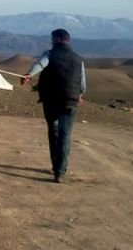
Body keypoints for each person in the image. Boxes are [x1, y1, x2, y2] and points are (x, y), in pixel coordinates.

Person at [21, 28, 86, 182]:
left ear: (56, 39)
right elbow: (82, 85)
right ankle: (60, 171)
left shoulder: (50, 54)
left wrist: (29, 75)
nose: (51, 42)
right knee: (65, 135)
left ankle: (55, 166)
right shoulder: (78, 58)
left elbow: (40, 65)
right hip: (71, 101)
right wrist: (79, 95)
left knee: (54, 130)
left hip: (51, 100)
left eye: (52, 39)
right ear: (67, 40)